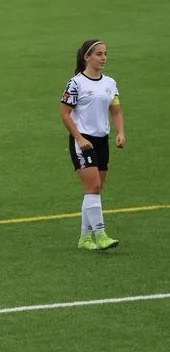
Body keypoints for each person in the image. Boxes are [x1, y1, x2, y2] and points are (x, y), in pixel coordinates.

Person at [60, 39, 124, 250]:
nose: (103, 58)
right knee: (93, 186)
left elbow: (116, 111)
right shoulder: (76, 83)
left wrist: (120, 132)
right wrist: (78, 138)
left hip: (101, 140)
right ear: (87, 57)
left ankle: (84, 238)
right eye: (98, 54)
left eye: (105, 53)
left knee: (95, 189)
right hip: (83, 140)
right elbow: (65, 113)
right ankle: (100, 235)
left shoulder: (110, 83)